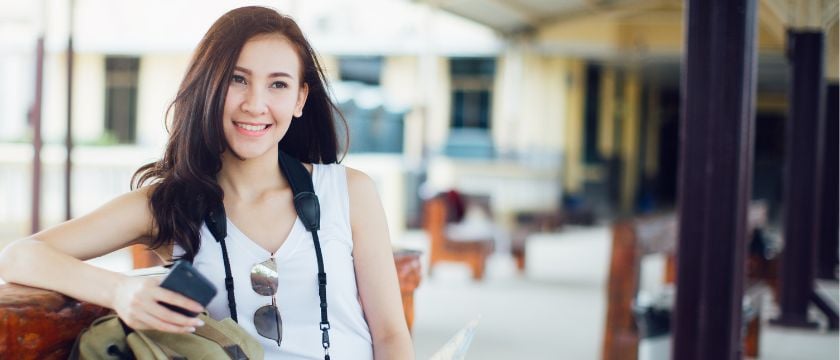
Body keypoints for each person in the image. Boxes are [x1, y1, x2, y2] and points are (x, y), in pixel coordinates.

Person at [0, 6, 413, 359]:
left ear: (300, 99)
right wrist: (121, 292)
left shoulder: (350, 192)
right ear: (209, 85)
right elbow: (18, 256)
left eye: (278, 84)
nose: (255, 103)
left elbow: (391, 335)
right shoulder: (168, 204)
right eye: (238, 79)